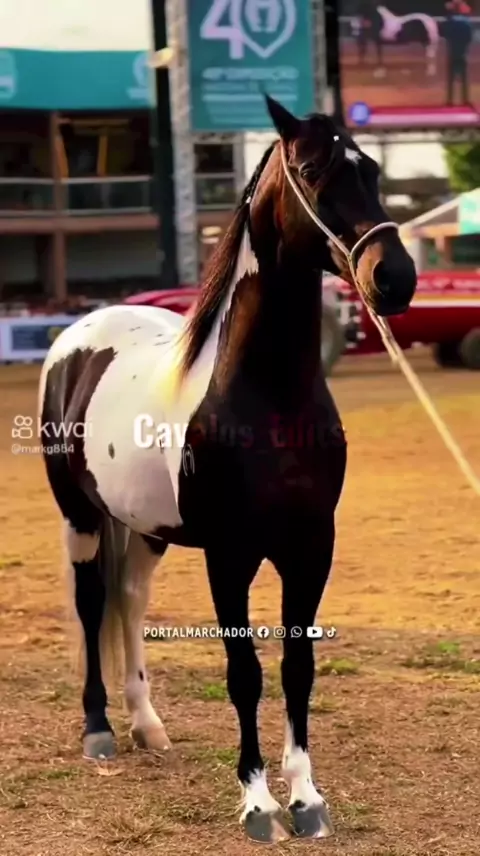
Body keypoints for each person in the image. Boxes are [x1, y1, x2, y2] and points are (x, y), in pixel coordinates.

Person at [443, 0, 473, 106]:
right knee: (464, 78)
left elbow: (446, 34)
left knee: (451, 78)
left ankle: (450, 100)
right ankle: (465, 99)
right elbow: (469, 38)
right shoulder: (466, 23)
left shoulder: (450, 23)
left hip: (452, 51)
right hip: (463, 52)